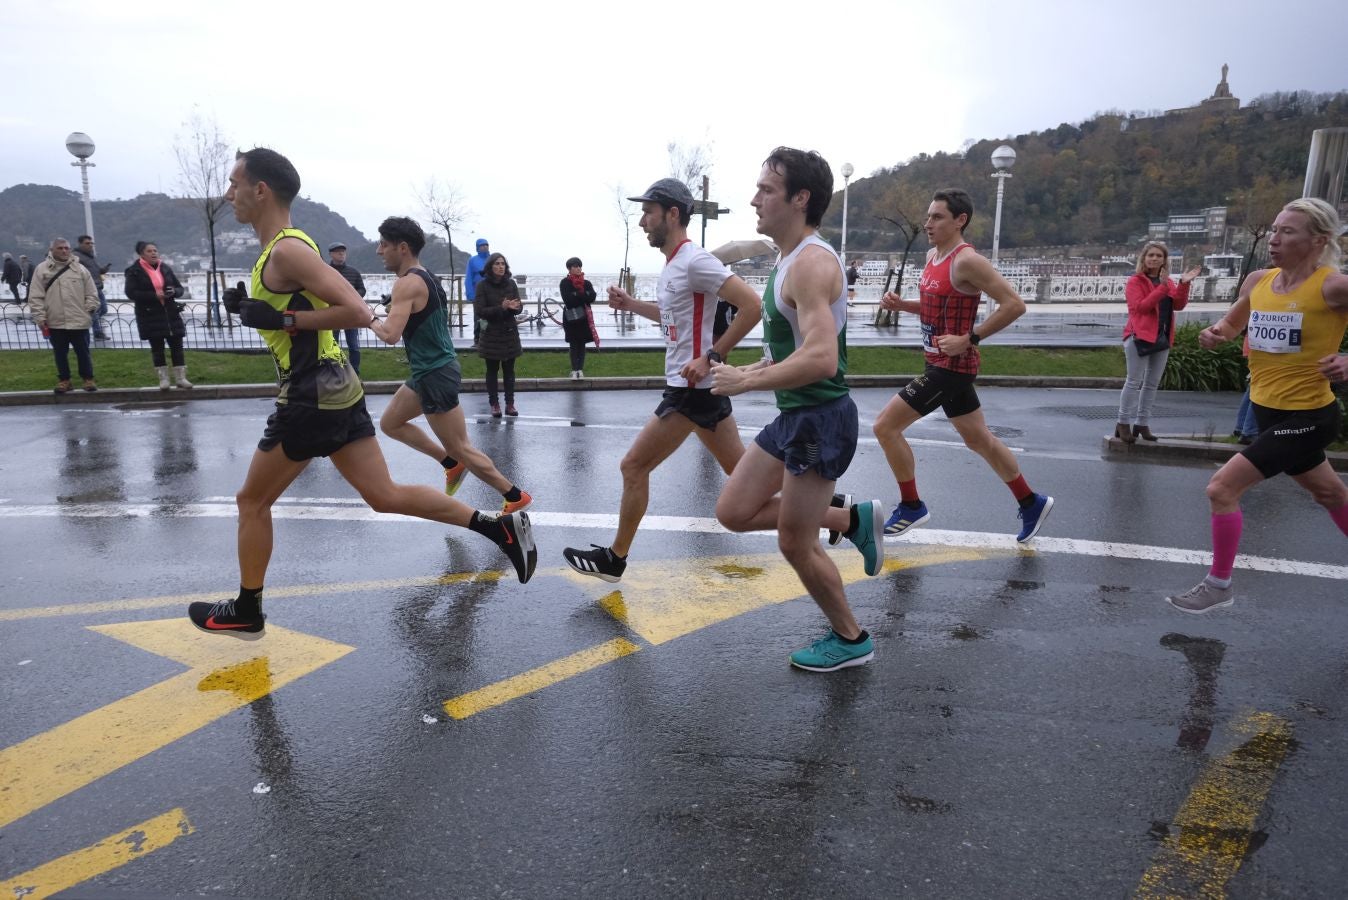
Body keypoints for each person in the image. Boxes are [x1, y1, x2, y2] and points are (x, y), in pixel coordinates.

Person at [186, 148, 536, 639]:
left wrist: (282, 318)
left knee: (251, 501)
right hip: (335, 385)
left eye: (234, 183)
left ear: (260, 190)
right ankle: (496, 527)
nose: (228, 194)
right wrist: (250, 309)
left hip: (311, 391)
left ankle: (247, 610)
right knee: (383, 495)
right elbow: (299, 310)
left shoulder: (288, 250)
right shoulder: (283, 249)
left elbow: (353, 310)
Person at [710, 147, 886, 672]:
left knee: (795, 541)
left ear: (800, 198)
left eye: (767, 189)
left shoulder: (811, 263)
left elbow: (822, 357)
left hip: (821, 418)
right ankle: (851, 519)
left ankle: (851, 638)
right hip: (795, 416)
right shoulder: (786, 262)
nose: (754, 199)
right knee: (733, 511)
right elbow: (790, 350)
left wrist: (745, 380)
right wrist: (746, 367)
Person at [561, 177, 763, 583]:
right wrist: (632, 304)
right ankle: (839, 512)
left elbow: (752, 306)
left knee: (633, 466)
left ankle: (615, 559)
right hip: (697, 389)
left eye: (648, 213)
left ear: (672, 214)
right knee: (745, 478)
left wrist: (711, 357)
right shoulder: (674, 265)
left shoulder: (695, 260)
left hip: (690, 389)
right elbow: (674, 318)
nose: (642, 222)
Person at [1166, 197, 1348, 615]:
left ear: (1318, 241)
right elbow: (1231, 325)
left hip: (1310, 416)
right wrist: (1215, 334)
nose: (1274, 239)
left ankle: (1218, 584)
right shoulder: (1258, 281)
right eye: (1274, 230)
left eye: (1287, 231)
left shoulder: (1332, 287)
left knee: (1222, 488)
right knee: (1331, 493)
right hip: (1268, 413)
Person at [874, 189, 1054, 543]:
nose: (928, 223)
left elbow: (1014, 305)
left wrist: (969, 338)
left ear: (960, 220)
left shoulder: (967, 260)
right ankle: (1031, 502)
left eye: (937, 217)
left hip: (951, 367)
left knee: (885, 427)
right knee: (979, 440)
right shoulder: (933, 256)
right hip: (937, 361)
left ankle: (911, 506)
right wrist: (902, 306)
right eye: (928, 216)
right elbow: (934, 305)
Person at [368, 216, 532, 514]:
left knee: (461, 447)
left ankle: (514, 494)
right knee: (390, 423)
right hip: (428, 370)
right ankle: (450, 463)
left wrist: (368, 317)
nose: (379, 251)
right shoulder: (426, 276)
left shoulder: (407, 283)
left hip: (435, 373)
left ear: (402, 248)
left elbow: (390, 335)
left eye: (383, 245)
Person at [1114, 241, 1199, 442]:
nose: (1154, 258)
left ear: (1164, 260)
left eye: (1159, 256)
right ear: (1144, 258)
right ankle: (1123, 423)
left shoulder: (1168, 282)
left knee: (1152, 384)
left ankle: (1142, 423)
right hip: (1139, 337)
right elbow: (1141, 307)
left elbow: (1178, 305)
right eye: (1151, 255)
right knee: (1133, 381)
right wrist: (1161, 287)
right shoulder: (1135, 281)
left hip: (1162, 337)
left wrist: (1184, 284)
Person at [27, 238, 99, 393]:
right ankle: (64, 380)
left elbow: (92, 293)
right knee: (60, 353)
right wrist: (40, 316)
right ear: (52, 250)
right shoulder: (41, 270)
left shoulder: (80, 269)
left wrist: (89, 309)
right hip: (55, 320)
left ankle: (88, 379)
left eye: (66, 248)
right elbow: (35, 296)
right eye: (60, 248)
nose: (64, 251)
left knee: (83, 352)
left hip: (79, 319)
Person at [124, 241, 193, 389]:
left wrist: (173, 291)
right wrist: (154, 295)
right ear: (141, 254)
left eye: (155, 250)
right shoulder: (134, 271)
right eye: (149, 251)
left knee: (177, 347)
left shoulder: (165, 268)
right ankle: (163, 379)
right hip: (150, 315)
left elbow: (179, 288)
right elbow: (131, 293)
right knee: (157, 348)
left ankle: (181, 378)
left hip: (170, 313)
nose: (153, 253)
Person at [474, 252, 524, 417]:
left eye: (503, 264)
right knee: (492, 370)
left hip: (509, 333)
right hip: (491, 334)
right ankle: (494, 404)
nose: (500, 267)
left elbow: (519, 307)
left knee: (509, 371)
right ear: (490, 266)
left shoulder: (511, 284)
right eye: (497, 263)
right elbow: (480, 310)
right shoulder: (482, 285)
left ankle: (510, 404)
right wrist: (501, 308)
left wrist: (515, 307)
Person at [326, 241, 367, 374]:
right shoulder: (325, 271)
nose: (341, 254)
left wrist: (352, 296)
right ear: (331, 254)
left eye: (343, 251)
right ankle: (336, 373)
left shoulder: (353, 272)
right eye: (338, 252)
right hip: (332, 313)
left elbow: (362, 289)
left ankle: (355, 373)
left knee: (354, 346)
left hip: (351, 313)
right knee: (333, 345)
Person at [559, 256, 597, 378]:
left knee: (582, 343)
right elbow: (569, 301)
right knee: (574, 344)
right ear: (569, 269)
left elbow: (592, 297)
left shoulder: (587, 283)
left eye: (580, 266)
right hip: (571, 318)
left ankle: (580, 370)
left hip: (584, 318)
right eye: (575, 266)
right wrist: (583, 295)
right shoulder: (565, 283)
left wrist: (577, 294)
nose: (578, 268)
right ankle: (574, 369)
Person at [73, 235, 111, 340]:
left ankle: (89, 321)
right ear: (80, 244)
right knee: (94, 310)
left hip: (98, 287)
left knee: (103, 309)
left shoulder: (90, 256)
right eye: (87, 243)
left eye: (91, 243)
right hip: (88, 288)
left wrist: (104, 269)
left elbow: (97, 270)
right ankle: (97, 332)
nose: (90, 245)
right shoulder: (76, 257)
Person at [465, 238, 490, 348]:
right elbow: (468, 278)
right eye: (482, 245)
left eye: (486, 245)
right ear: (477, 248)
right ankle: (478, 340)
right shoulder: (472, 260)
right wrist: (470, 294)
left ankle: (489, 339)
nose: (485, 247)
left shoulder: (492, 259)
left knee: (491, 317)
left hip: (491, 294)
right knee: (478, 318)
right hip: (477, 295)